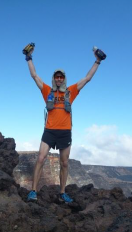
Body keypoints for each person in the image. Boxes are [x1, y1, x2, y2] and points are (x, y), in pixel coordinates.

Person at [24, 44, 104, 203]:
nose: (59, 79)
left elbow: (87, 78)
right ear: (54, 78)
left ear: (64, 78)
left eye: (61, 77)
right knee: (40, 159)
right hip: (49, 131)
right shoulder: (47, 91)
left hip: (65, 131)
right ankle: (33, 191)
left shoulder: (71, 91)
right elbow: (34, 75)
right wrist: (28, 58)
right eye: (56, 77)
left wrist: (97, 61)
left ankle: (62, 192)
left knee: (65, 163)